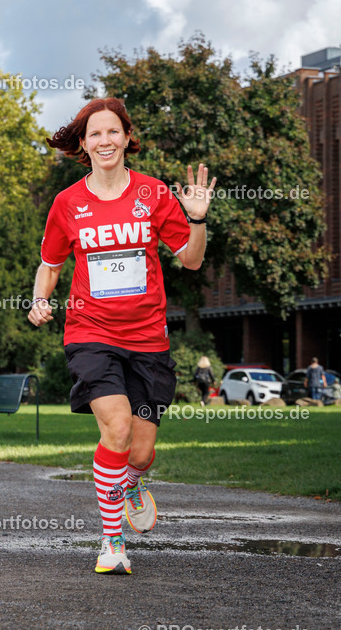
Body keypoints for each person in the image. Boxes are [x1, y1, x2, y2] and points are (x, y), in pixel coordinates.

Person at [28, 97, 214, 575]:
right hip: (90, 333)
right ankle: (111, 543)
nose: (105, 140)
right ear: (84, 144)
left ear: (127, 138)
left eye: (113, 132)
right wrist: (40, 300)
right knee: (116, 427)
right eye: (95, 134)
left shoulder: (152, 194)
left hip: (148, 338)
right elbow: (50, 265)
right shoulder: (67, 203)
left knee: (142, 451)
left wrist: (196, 220)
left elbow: (190, 260)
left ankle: (131, 481)